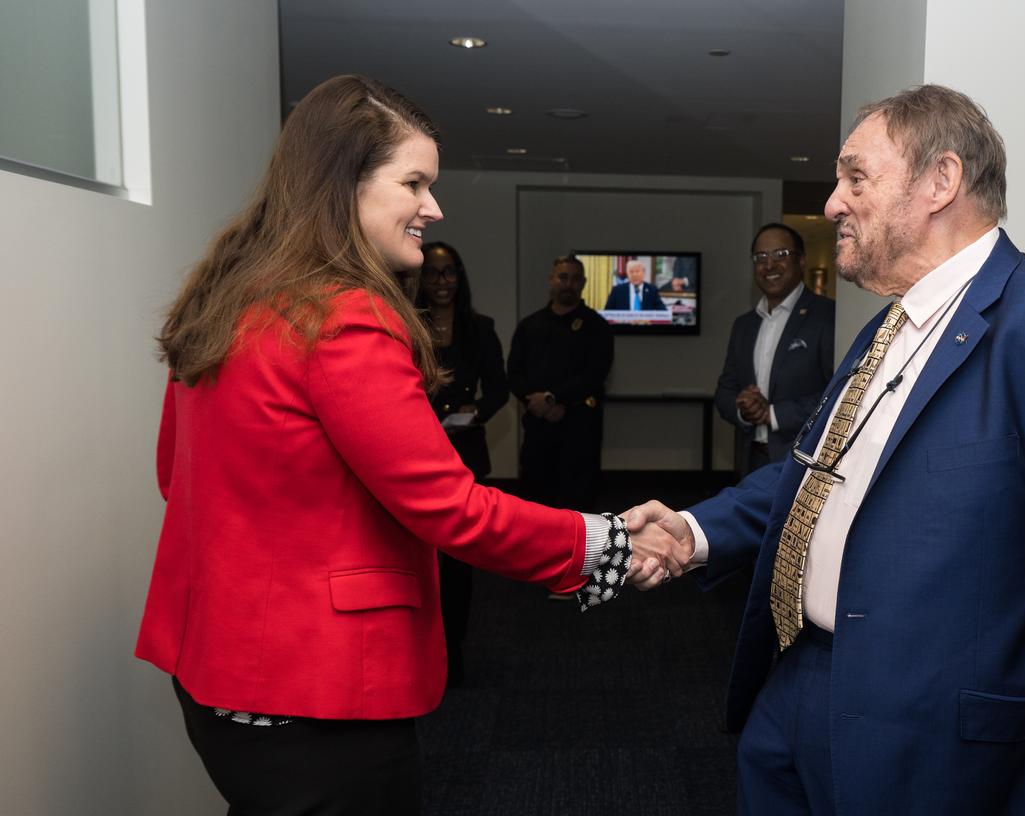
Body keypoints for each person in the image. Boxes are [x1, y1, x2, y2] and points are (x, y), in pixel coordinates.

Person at [626, 85, 1025, 814]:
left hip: (933, 739)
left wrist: (975, 637)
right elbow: (818, 473)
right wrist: (696, 530)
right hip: (796, 686)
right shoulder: (888, 327)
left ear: (941, 182)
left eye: (855, 177)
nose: (832, 202)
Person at [134, 75, 681, 815]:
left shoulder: (232, 298)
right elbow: (449, 509)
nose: (434, 207)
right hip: (312, 688)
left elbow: (175, 474)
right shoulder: (342, 316)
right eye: (415, 183)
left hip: (221, 675)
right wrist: (609, 542)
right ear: (343, 184)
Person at [415, 240, 509, 687]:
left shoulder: (480, 328)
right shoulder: (402, 325)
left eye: (448, 272)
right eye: (432, 273)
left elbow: (498, 390)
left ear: (460, 276)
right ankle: (419, 648)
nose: (441, 281)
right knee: (418, 559)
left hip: (465, 454)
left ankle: (453, 649)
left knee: (456, 561)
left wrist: (478, 412)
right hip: (414, 452)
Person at [715, 223, 835, 477]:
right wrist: (744, 409)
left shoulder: (828, 317)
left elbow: (836, 394)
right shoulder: (744, 325)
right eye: (761, 258)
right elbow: (725, 390)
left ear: (801, 261)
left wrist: (773, 414)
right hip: (752, 461)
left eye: (781, 255)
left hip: (802, 462)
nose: (769, 265)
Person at [508, 256, 614, 512]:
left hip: (580, 431)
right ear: (551, 280)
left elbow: (595, 374)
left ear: (584, 283)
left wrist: (554, 398)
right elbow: (514, 372)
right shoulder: (530, 325)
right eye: (563, 277)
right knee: (535, 502)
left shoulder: (597, 326)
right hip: (537, 428)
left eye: (575, 278)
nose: (569, 284)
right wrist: (535, 402)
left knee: (579, 504)